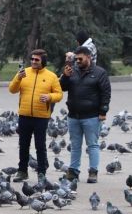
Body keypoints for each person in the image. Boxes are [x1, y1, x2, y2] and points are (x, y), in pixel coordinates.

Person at [8, 49, 62, 183]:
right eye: (32, 59)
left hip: (41, 116)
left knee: (40, 146)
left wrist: (49, 97)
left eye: (36, 60)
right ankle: (22, 171)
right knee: (23, 145)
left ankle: (41, 172)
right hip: (24, 115)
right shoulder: (24, 73)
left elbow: (59, 95)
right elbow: (12, 90)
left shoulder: (51, 76)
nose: (33, 62)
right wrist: (17, 78)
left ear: (43, 61)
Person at [60, 46, 111, 183]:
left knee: (92, 145)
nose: (77, 61)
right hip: (73, 115)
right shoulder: (72, 71)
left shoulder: (100, 73)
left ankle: (93, 172)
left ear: (88, 57)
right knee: (75, 145)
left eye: (80, 59)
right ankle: (73, 171)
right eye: (76, 59)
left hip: (92, 116)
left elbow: (106, 93)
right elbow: (62, 88)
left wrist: (103, 111)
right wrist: (65, 76)